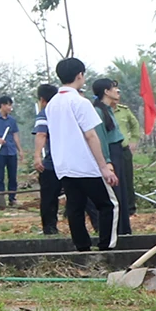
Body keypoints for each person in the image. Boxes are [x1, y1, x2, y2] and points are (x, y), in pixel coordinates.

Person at [44, 58, 118, 252]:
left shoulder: (52, 104)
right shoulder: (80, 102)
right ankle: (106, 246)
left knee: (75, 207)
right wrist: (103, 166)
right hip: (86, 164)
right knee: (108, 204)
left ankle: (82, 247)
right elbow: (91, 135)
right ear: (80, 75)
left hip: (64, 165)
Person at [91, 78, 139, 239]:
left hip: (119, 151)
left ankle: (124, 229)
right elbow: (101, 138)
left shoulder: (109, 109)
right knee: (115, 193)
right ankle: (115, 230)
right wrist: (107, 161)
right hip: (111, 153)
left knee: (123, 191)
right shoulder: (98, 111)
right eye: (113, 88)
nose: (117, 91)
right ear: (106, 91)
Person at [32, 85, 60, 236]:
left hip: (52, 163)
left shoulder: (45, 113)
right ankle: (96, 225)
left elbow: (41, 134)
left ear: (42, 100)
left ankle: (50, 228)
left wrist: (37, 156)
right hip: (73, 162)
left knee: (49, 198)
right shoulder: (67, 111)